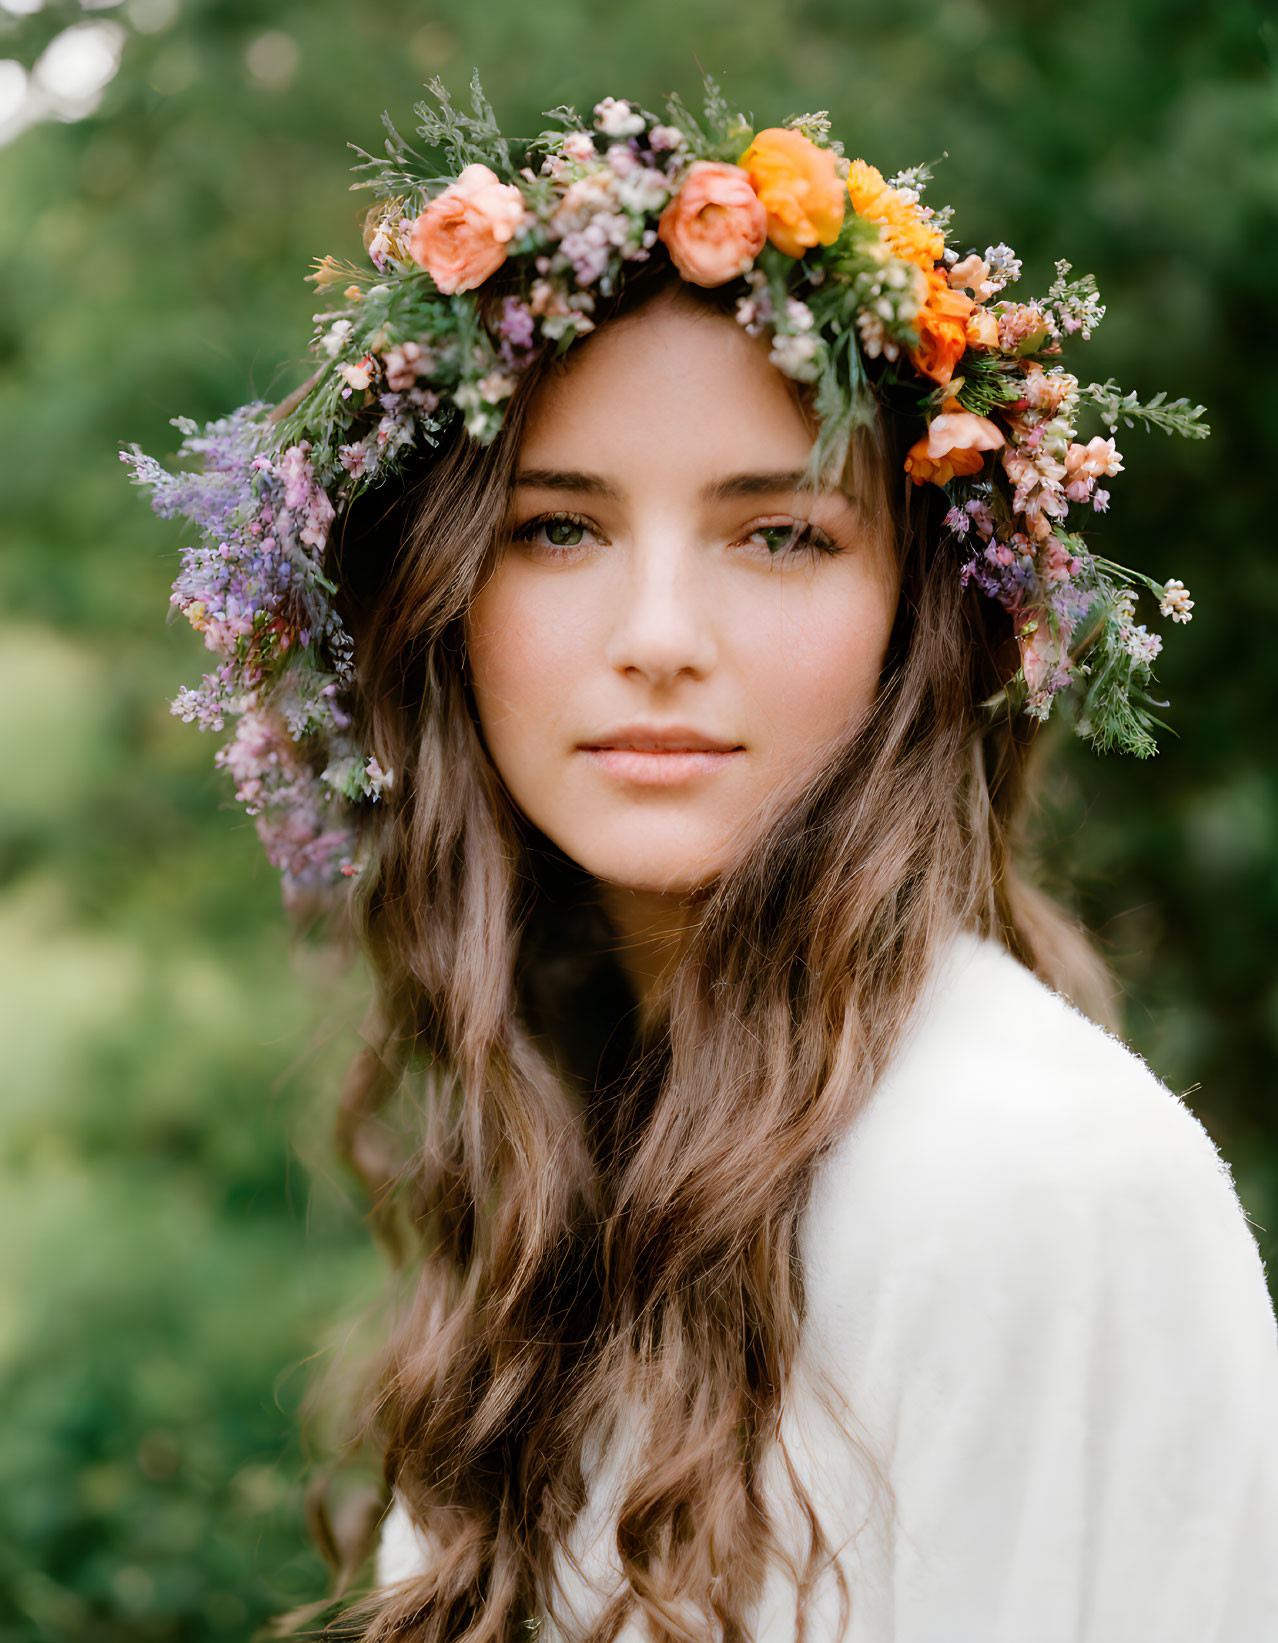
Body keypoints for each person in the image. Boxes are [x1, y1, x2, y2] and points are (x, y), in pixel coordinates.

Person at [123, 78, 1278, 1642]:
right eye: (557, 530)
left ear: (912, 620)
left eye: (777, 534)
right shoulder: (591, 1138)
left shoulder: (1018, 1176)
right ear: (441, 607)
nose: (658, 640)